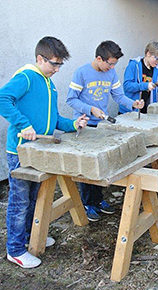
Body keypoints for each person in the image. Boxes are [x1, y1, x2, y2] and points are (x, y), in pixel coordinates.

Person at [0, 36, 88, 268]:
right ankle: (15, 249)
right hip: (21, 151)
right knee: (20, 201)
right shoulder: (27, 77)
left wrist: (73, 124)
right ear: (40, 58)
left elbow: (55, 118)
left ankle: (31, 236)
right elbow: (3, 98)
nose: (57, 69)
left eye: (60, 65)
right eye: (54, 64)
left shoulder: (49, 84)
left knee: (34, 198)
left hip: (41, 151)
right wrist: (23, 124)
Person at [66, 40, 144, 221]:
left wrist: (133, 104)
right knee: (87, 167)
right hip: (84, 125)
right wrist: (90, 109)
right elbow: (71, 99)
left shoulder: (111, 73)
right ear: (99, 58)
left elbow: (119, 96)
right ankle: (88, 203)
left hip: (101, 125)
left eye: (114, 64)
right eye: (110, 63)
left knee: (100, 164)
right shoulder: (82, 73)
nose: (112, 67)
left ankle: (98, 199)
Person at [119, 41, 158, 114]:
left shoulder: (157, 69)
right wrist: (145, 85)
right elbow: (127, 86)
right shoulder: (134, 65)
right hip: (130, 110)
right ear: (148, 54)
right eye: (156, 58)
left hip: (146, 110)